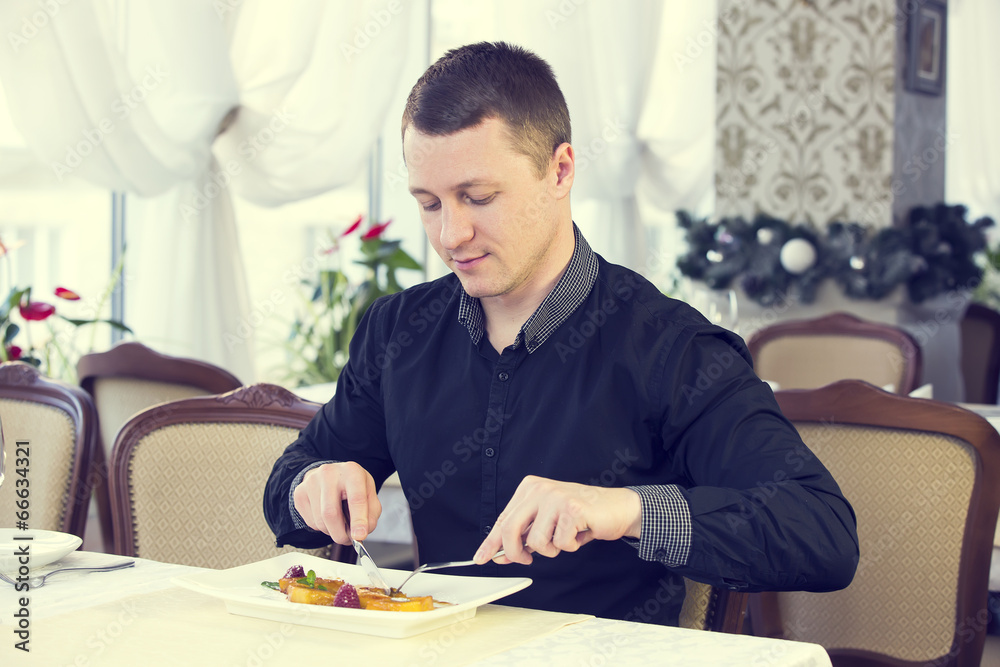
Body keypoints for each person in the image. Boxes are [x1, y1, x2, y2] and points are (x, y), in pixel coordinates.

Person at [264, 41, 859, 625]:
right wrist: (310, 485)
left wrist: (627, 509)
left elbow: (819, 530)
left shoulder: (672, 347)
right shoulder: (398, 330)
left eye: (478, 197)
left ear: (561, 170)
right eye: (429, 204)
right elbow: (289, 483)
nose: (451, 235)